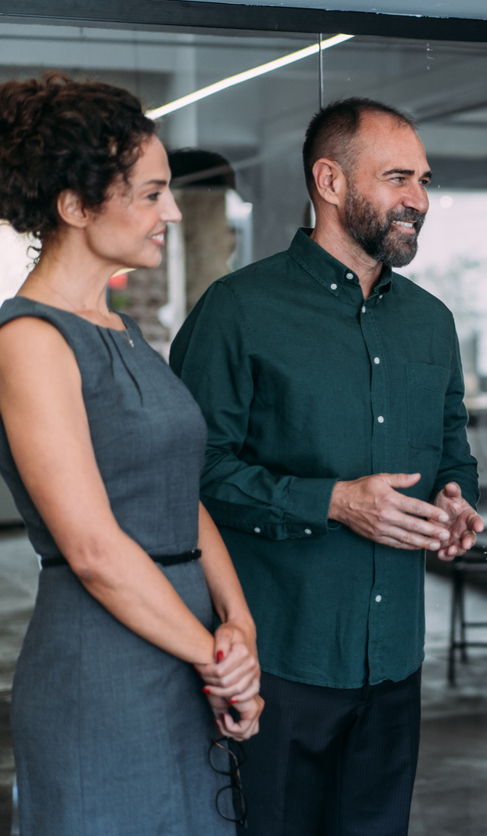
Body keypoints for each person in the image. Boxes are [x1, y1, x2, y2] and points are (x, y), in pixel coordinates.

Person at [169, 97, 483, 834]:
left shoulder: (431, 320)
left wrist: (456, 498)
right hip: (280, 656)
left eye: (425, 180)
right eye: (398, 177)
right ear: (330, 182)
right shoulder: (237, 310)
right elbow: (190, 476)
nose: (420, 200)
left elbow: (452, 446)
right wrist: (334, 502)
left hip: (395, 662)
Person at [0, 74, 262, 835]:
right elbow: (91, 549)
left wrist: (238, 623)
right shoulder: (30, 342)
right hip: (102, 670)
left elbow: (183, 492)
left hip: (187, 650)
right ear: (76, 207)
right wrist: (218, 655)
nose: (172, 212)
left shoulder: (123, 331)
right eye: (150, 195)